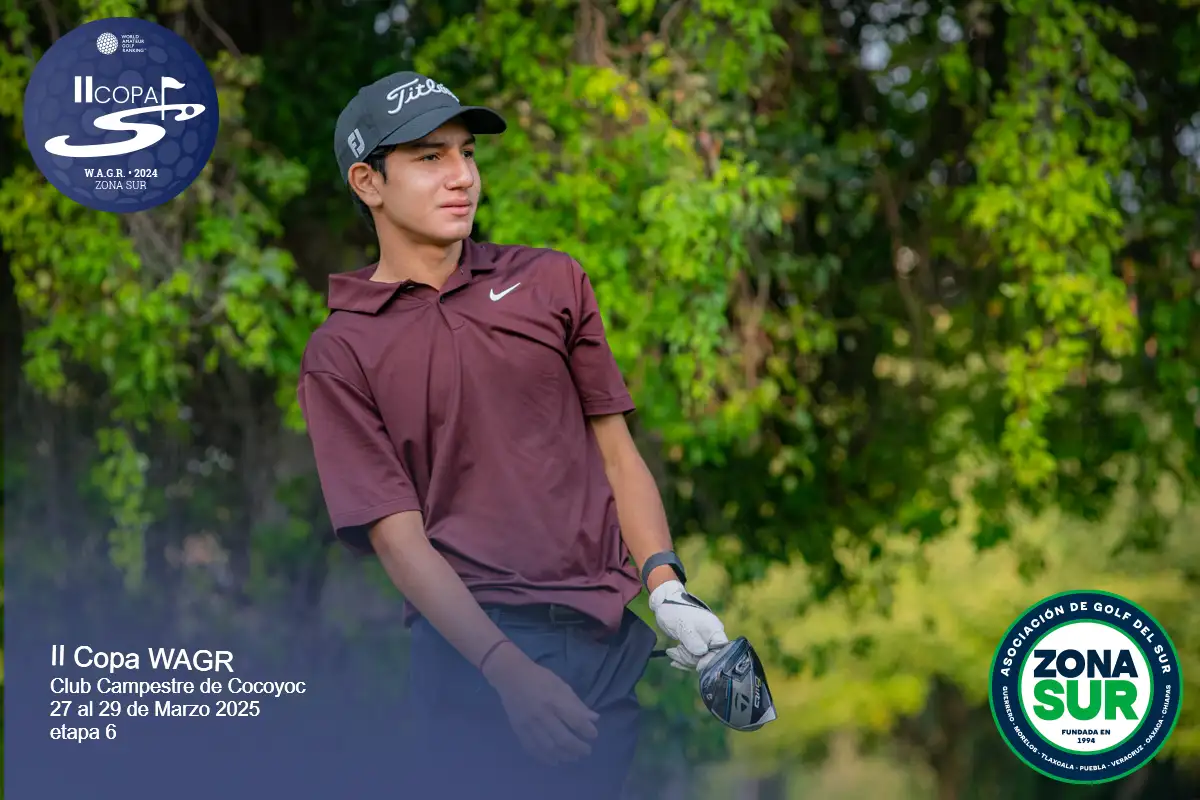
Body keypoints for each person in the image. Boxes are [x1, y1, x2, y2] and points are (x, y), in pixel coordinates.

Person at [298, 71, 731, 799]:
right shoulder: (341, 350)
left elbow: (617, 456)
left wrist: (666, 590)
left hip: (603, 643)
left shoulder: (552, 282)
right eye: (430, 158)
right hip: (471, 657)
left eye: (467, 153)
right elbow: (397, 537)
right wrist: (506, 671)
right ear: (368, 182)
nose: (462, 176)